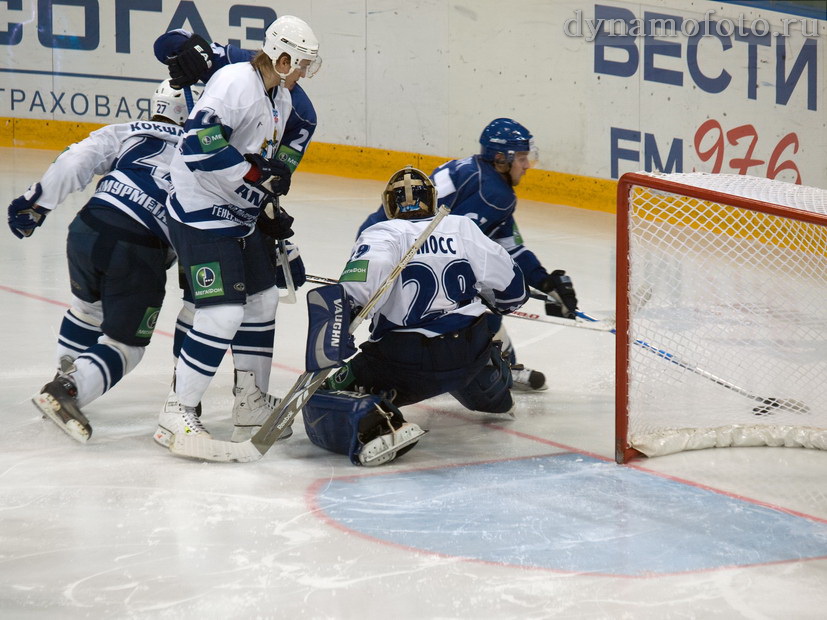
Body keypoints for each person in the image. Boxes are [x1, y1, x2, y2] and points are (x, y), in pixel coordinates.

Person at [152, 15, 322, 447]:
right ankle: (178, 412)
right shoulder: (235, 82)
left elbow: (263, 167)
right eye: (301, 64)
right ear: (282, 57)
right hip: (201, 212)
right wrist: (253, 173)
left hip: (238, 218)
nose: (304, 74)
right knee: (224, 312)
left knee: (263, 299)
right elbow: (197, 143)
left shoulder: (278, 101)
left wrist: (269, 205)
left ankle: (250, 403)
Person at [6, 79, 201, 442]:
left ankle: (64, 374)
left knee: (86, 310)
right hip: (139, 245)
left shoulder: (128, 131)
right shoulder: (199, 151)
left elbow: (76, 158)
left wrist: (39, 201)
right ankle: (69, 390)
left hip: (87, 227)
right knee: (127, 344)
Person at [301, 166, 529, 466]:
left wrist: (338, 330)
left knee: (321, 394)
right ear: (432, 200)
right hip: (470, 353)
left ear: (389, 205)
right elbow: (514, 293)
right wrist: (489, 300)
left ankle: (378, 424)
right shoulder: (462, 227)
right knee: (473, 334)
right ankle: (495, 392)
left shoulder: (382, 233)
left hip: (407, 363)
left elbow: (354, 292)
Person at [356, 118, 578, 391]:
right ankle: (490, 369)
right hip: (394, 254)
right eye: (521, 158)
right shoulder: (492, 192)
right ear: (501, 158)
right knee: (477, 299)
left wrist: (544, 281)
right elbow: (482, 250)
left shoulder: (476, 174)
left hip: (379, 243)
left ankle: (497, 364)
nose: (527, 165)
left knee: (479, 292)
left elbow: (507, 244)